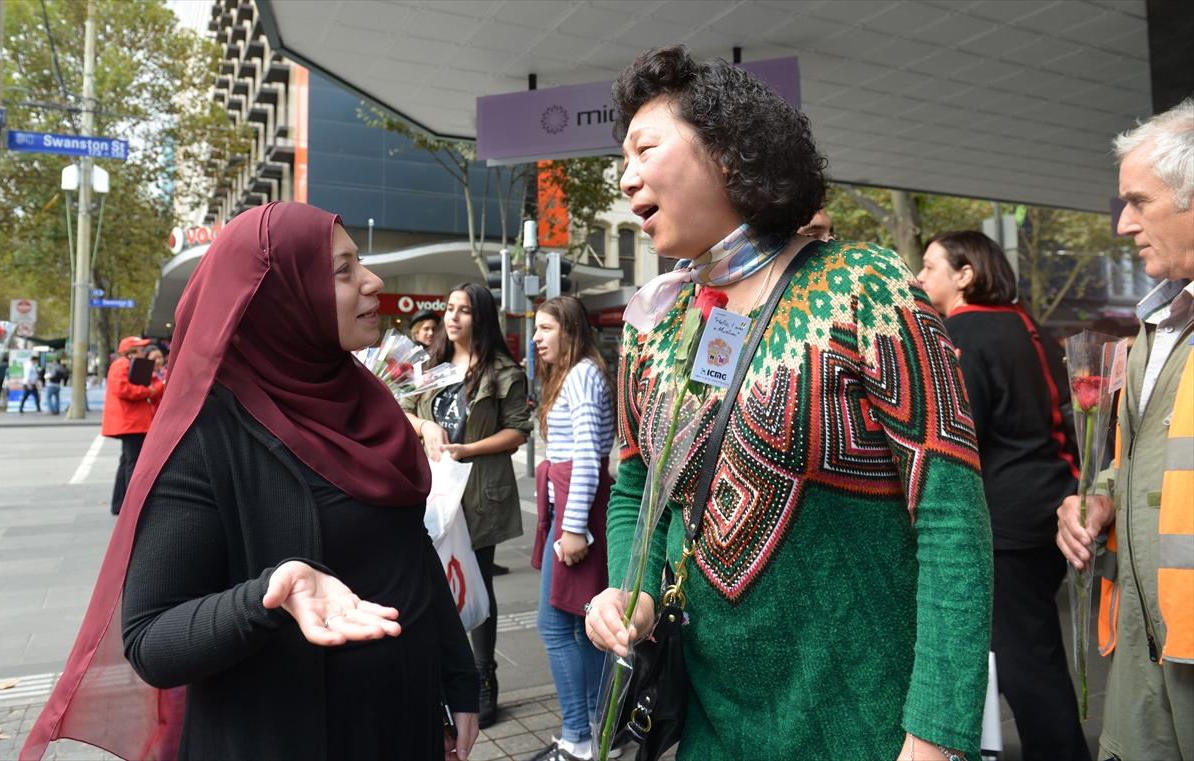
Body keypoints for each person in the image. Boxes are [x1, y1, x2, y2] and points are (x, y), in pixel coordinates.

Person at [583, 46, 991, 761]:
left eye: (645, 149)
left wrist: (936, 732)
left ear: (729, 154)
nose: (626, 177)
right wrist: (632, 591)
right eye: (623, 159)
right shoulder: (656, 327)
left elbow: (950, 512)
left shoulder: (865, 286)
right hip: (709, 731)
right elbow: (636, 484)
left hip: (873, 730)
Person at [20, 202, 480, 761]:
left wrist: (458, 679)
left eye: (360, 262)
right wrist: (268, 596)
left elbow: (410, 550)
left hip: (404, 722)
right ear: (279, 301)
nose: (372, 281)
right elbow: (151, 640)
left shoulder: (370, 401)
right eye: (343, 270)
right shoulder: (207, 437)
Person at [1056, 97, 1193, 761]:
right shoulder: (1156, 328)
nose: (1123, 223)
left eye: (1138, 201)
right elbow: (1145, 461)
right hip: (1145, 652)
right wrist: (1102, 496)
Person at [917, 231, 1088, 760]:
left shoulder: (963, 332)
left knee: (1026, 662)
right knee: (1022, 650)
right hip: (1050, 501)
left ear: (964, 275)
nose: (919, 277)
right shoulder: (1023, 324)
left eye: (929, 267)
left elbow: (961, 433)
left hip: (1006, 518)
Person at [401, 282, 531, 729]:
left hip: (478, 493)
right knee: (429, 584)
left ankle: (482, 678)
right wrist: (425, 427)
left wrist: (467, 449)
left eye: (464, 310)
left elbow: (517, 430)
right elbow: (399, 408)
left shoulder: (502, 371)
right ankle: (439, 680)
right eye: (450, 308)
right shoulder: (428, 365)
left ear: (481, 319)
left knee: (476, 584)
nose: (452, 317)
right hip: (430, 491)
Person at [528, 296, 615, 761]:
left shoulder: (581, 374)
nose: (536, 338)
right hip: (569, 510)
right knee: (585, 626)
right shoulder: (577, 373)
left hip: (575, 512)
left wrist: (574, 528)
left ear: (570, 330)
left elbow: (585, 457)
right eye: (535, 329)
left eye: (545, 328)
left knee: (557, 625)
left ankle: (580, 737)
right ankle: (601, 734)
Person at [101, 336, 165, 516]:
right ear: (132, 351)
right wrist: (149, 391)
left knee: (127, 462)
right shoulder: (122, 365)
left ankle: (121, 504)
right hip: (131, 422)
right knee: (132, 463)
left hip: (131, 422)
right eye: (139, 348)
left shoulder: (124, 364)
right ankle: (132, 507)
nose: (142, 351)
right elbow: (123, 389)